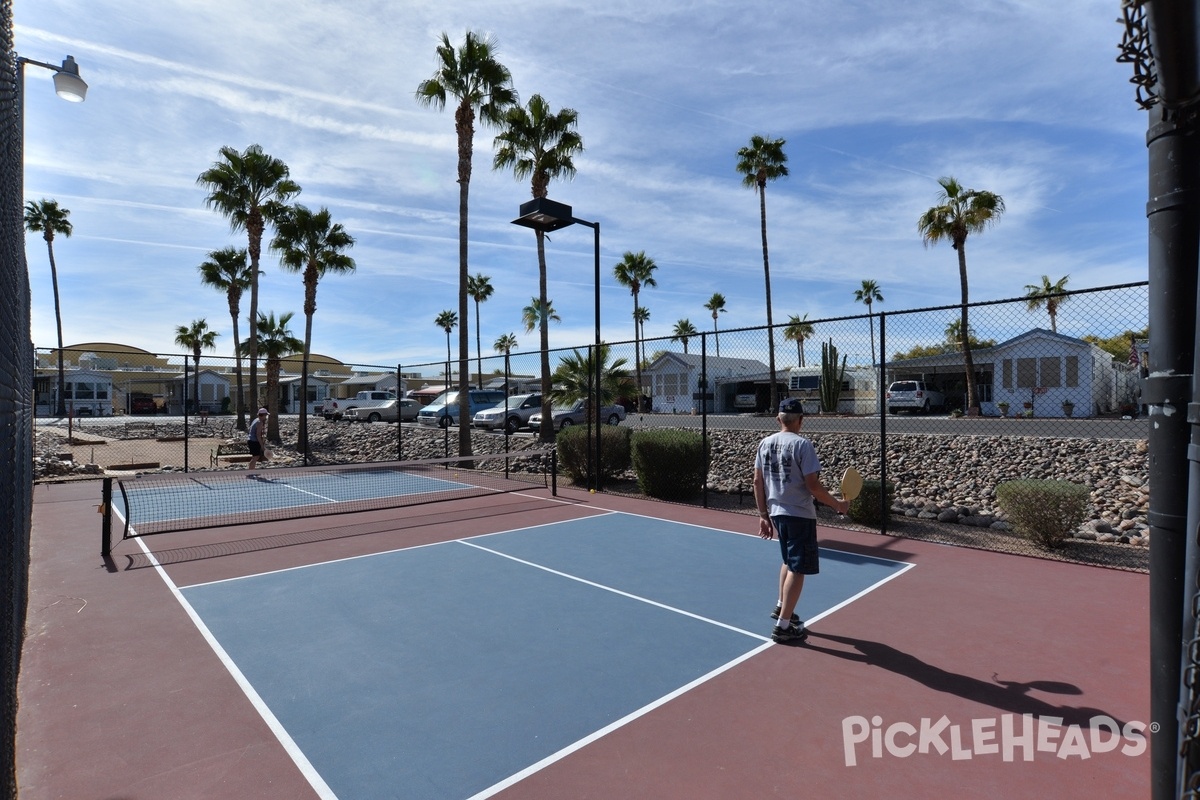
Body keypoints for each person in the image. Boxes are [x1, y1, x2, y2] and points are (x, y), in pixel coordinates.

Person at [753, 397, 849, 644]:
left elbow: (757, 482)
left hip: (776, 513)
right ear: (801, 420)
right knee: (797, 567)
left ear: (778, 419)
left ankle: (780, 606)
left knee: (788, 560)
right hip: (798, 514)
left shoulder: (765, 443)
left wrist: (763, 515)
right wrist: (837, 504)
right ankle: (783, 626)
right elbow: (813, 486)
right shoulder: (803, 445)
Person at [246, 407, 271, 473]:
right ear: (263, 415)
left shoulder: (256, 420)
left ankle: (252, 471)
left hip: (251, 440)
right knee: (255, 457)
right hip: (254, 441)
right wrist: (262, 446)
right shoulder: (260, 422)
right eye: (266, 415)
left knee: (255, 457)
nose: (266, 417)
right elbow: (258, 435)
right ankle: (251, 472)